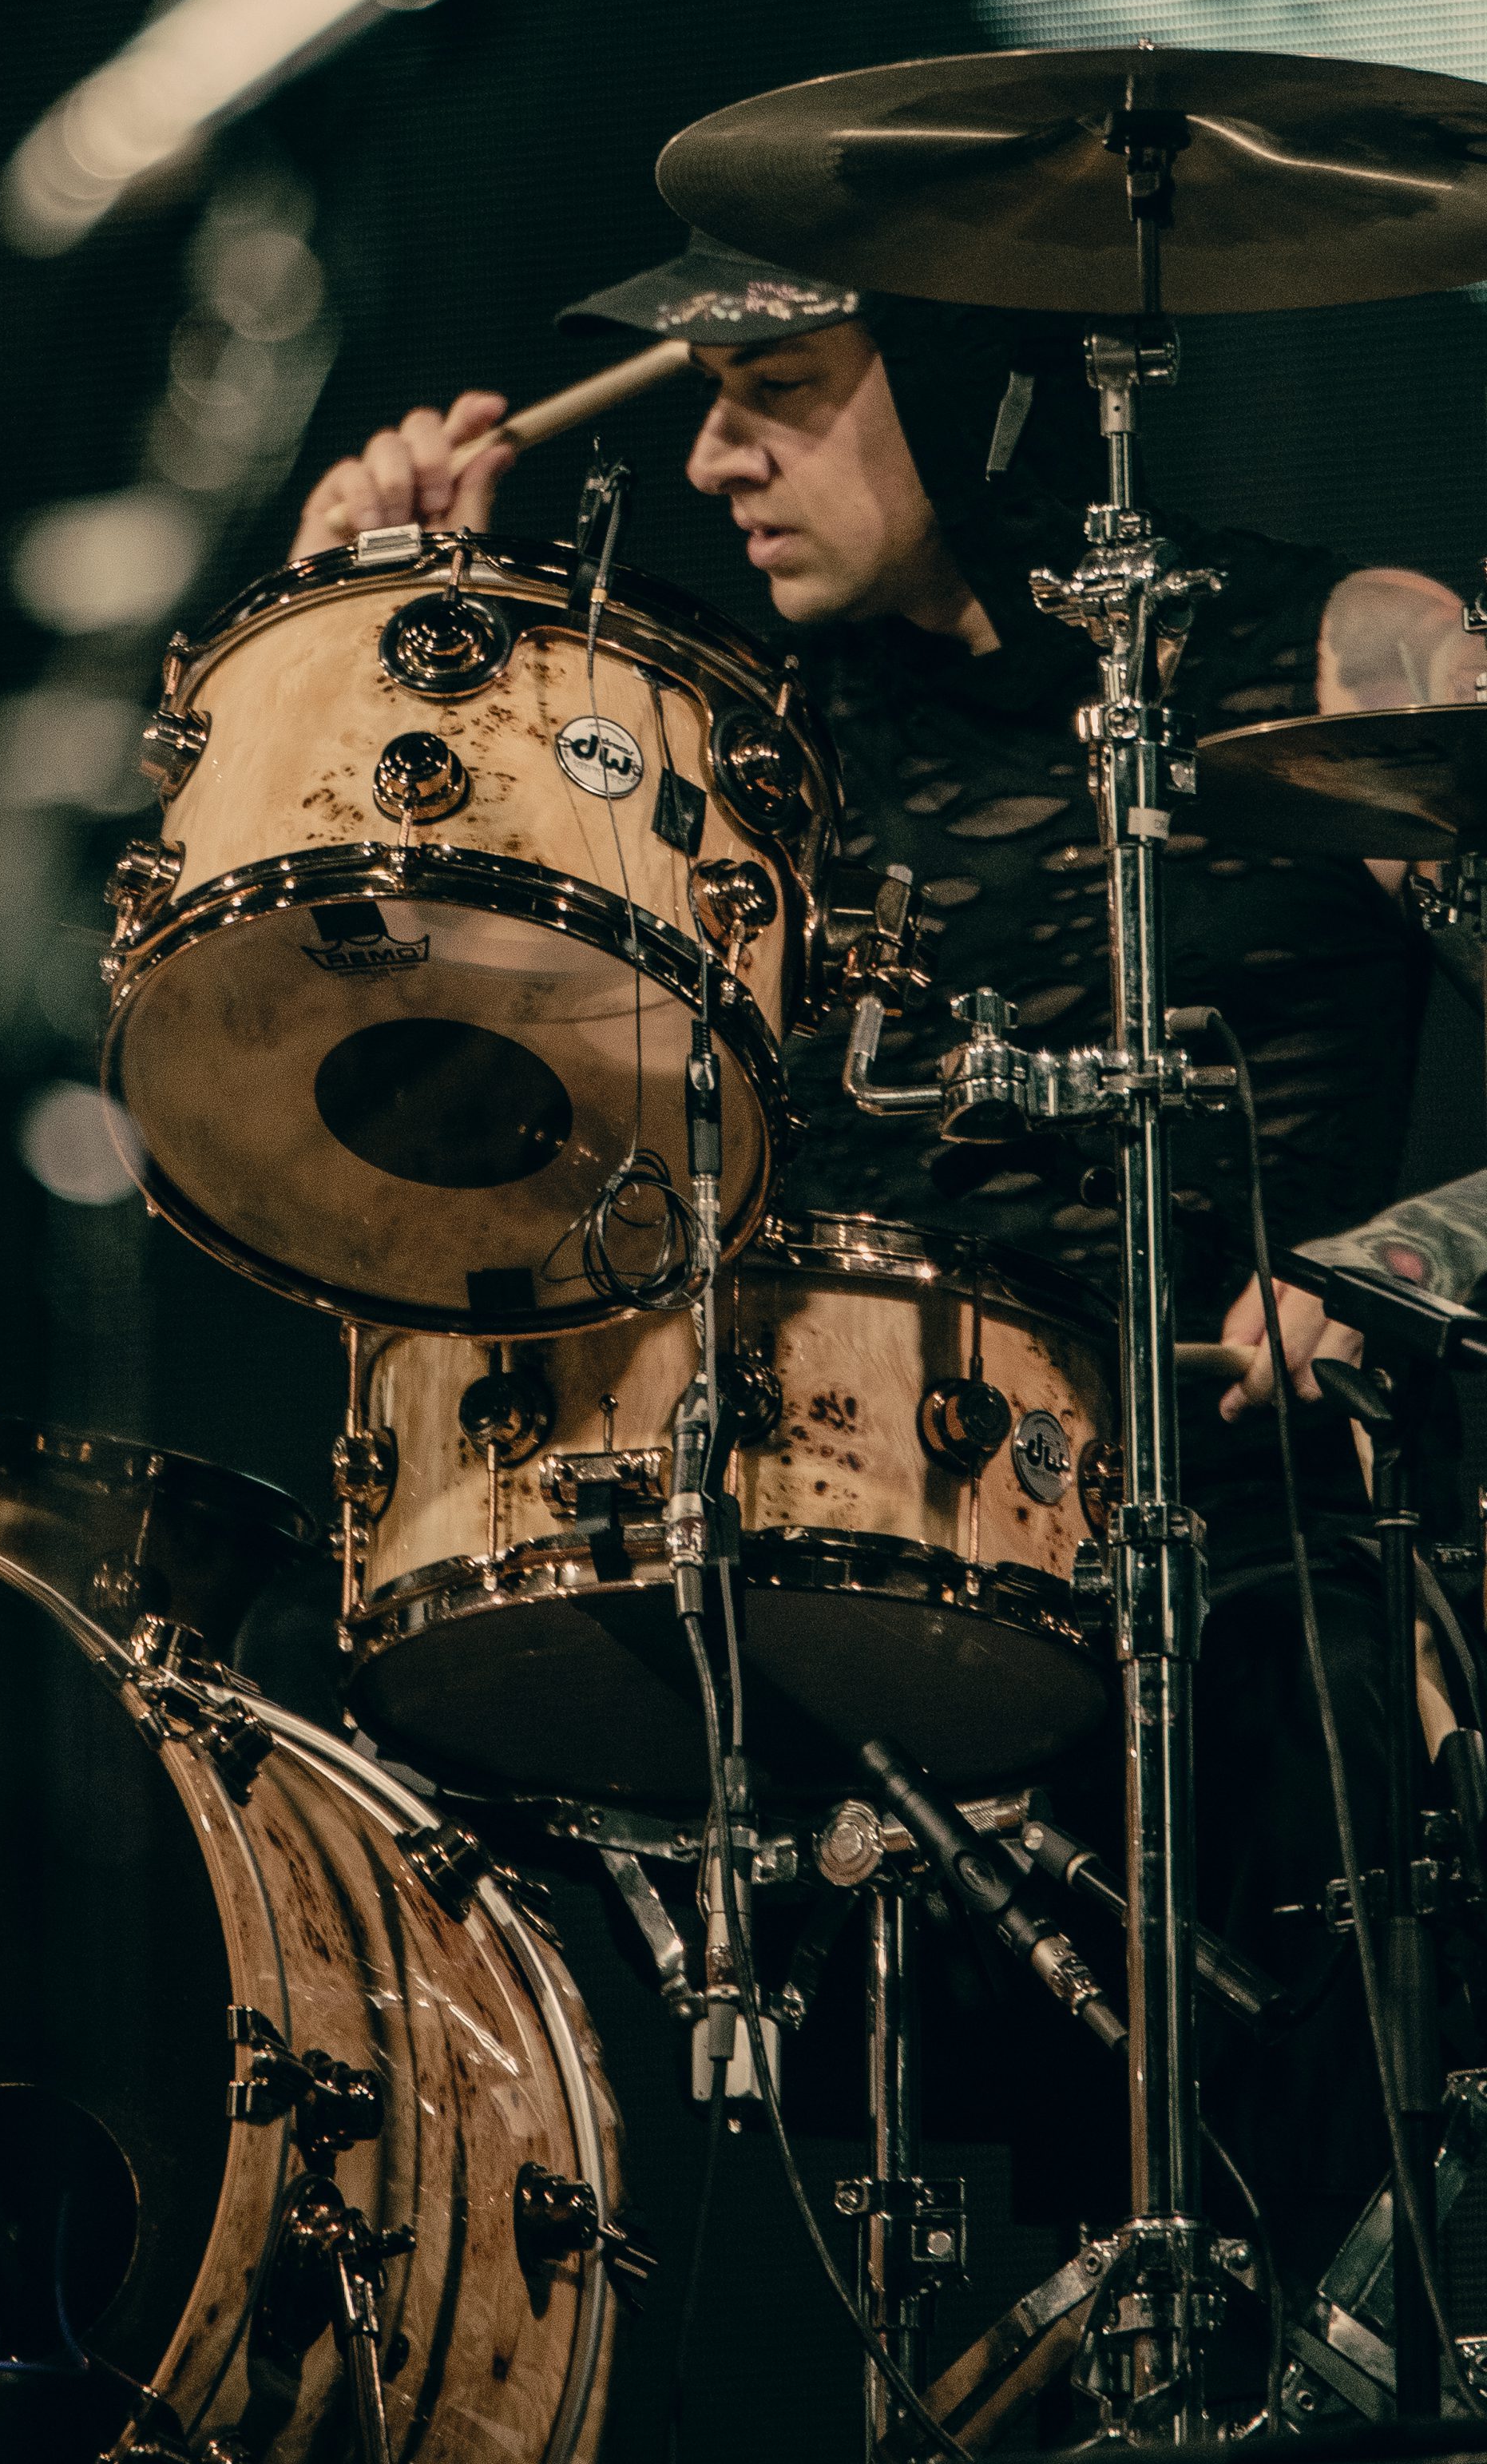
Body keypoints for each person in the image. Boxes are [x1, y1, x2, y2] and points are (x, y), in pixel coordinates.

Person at [285, 229, 1481, 2308]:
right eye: (706, 408)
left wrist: (1383, 1271)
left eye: (785, 393)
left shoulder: (1335, 648)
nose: (723, 460)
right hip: (836, 1610)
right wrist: (385, 634)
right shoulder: (722, 738)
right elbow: (412, 1121)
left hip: (1248, 1582)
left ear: (973, 379)